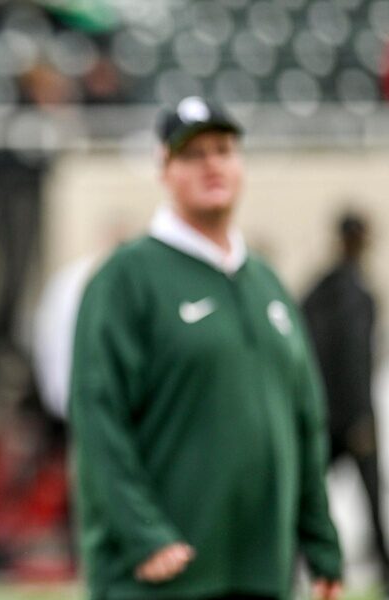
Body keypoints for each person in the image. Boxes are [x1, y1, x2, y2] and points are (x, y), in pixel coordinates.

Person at [68, 96, 343, 599]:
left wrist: (321, 543)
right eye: (193, 154)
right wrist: (142, 535)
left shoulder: (267, 283)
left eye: (223, 149)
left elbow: (306, 424)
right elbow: (98, 422)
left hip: (263, 575)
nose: (212, 164)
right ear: (164, 168)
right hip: (164, 576)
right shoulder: (125, 279)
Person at [303, 212, 389, 588]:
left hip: (322, 414)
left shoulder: (319, 288)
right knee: (364, 501)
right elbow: (354, 360)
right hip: (350, 418)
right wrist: (360, 419)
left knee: (306, 496)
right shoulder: (352, 293)